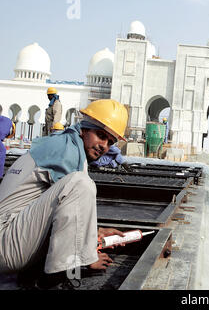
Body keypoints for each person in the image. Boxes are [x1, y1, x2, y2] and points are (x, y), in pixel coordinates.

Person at [0, 99, 129, 289]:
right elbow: (74, 196)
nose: (104, 146)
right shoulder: (67, 151)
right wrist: (86, 256)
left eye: (110, 142)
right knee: (81, 184)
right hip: (6, 244)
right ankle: (65, 271)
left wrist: (94, 233)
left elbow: (64, 211)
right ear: (84, 129)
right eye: (100, 136)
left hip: (11, 238)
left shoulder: (67, 143)